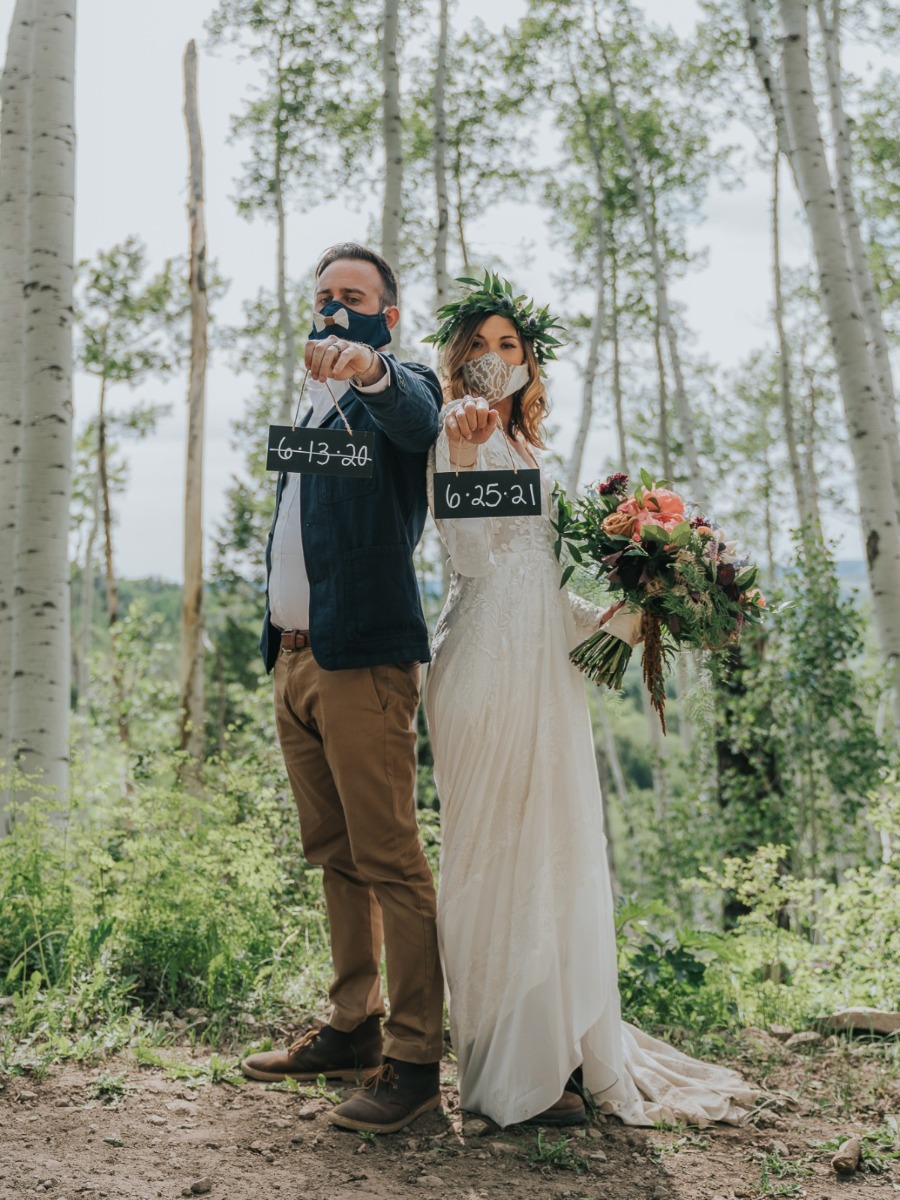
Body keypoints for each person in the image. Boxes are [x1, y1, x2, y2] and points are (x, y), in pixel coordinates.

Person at [423, 274, 757, 1129]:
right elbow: (470, 562)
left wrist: (631, 614)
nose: (496, 359)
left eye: (511, 346)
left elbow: (540, 582)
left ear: (530, 366)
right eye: (481, 346)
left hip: (547, 671)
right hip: (484, 674)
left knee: (552, 853)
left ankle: (557, 1054)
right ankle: (502, 1067)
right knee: (490, 856)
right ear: (457, 361)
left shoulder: (534, 455)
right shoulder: (456, 433)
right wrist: (460, 452)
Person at [241, 243, 445, 1136]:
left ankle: (414, 1060)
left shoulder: (399, 387)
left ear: (385, 317)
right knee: (336, 855)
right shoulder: (306, 403)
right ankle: (353, 1027)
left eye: (352, 298)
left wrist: (369, 367)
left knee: (392, 859)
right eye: (323, 296)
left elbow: (417, 413)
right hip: (293, 660)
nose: (332, 309)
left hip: (362, 661)